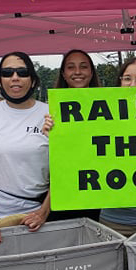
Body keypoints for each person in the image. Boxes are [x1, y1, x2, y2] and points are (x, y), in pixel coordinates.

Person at [0, 52, 50, 243]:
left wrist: (43, 212)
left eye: (22, 72)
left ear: (32, 80)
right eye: (7, 73)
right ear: (0, 80)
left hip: (38, 216)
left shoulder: (50, 113)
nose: (15, 77)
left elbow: (63, 169)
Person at [49, 49, 102, 222]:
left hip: (98, 191)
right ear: (63, 74)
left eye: (83, 67)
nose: (77, 72)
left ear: (91, 72)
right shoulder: (51, 111)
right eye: (71, 67)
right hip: (65, 192)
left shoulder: (109, 105)